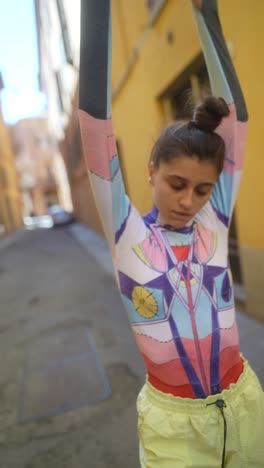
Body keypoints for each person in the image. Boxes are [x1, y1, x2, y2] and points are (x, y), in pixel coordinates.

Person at [78, 0, 264, 466]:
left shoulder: (213, 222)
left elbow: (236, 121)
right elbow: (93, 123)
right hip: (173, 425)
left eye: (202, 189)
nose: (189, 201)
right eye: (177, 185)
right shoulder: (128, 237)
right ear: (151, 173)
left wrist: (206, 14)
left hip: (243, 403)